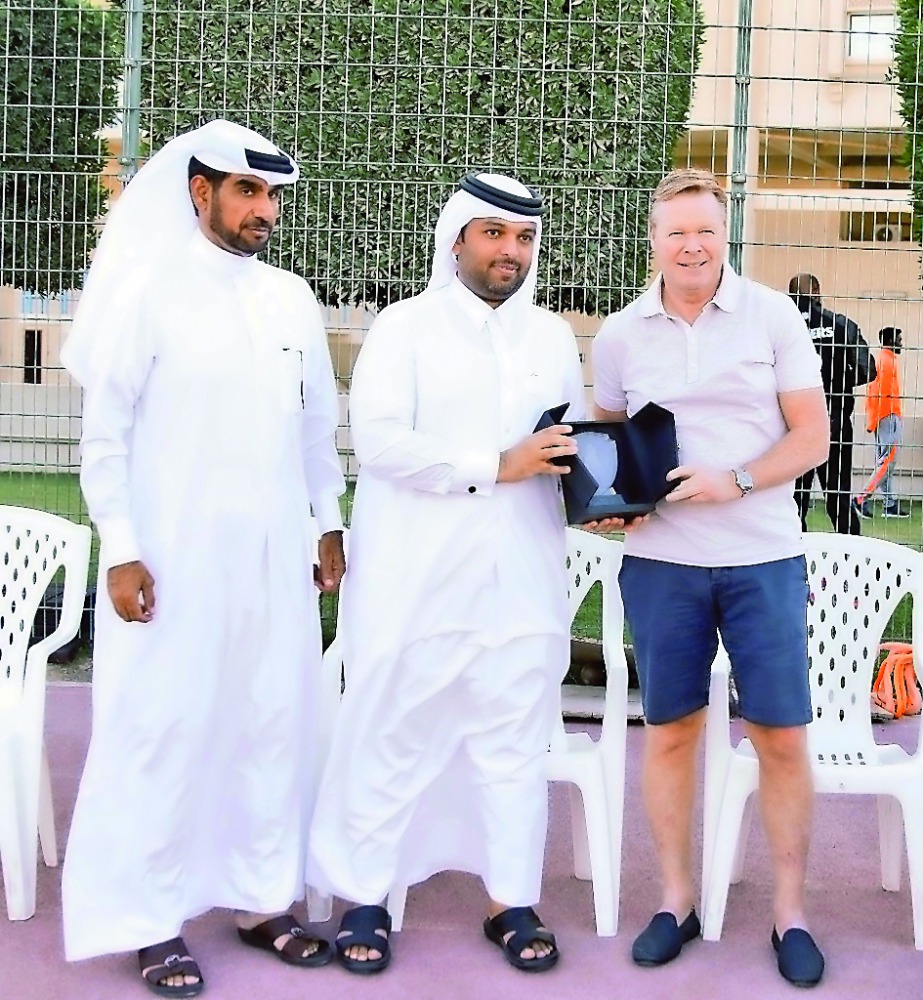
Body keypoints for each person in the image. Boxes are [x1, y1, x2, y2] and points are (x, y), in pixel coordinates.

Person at [60, 120, 346, 997]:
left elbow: (312, 429)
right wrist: (124, 549)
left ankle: (262, 902)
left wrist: (327, 524)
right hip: (172, 561)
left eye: (271, 196)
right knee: (164, 730)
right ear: (201, 193)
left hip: (270, 562)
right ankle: (150, 922)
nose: (263, 210)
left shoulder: (291, 297)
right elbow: (104, 438)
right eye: (246, 192)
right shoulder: (147, 293)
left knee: (269, 722)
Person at [307, 172, 585, 975]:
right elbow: (382, 441)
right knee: (392, 733)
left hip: (521, 578)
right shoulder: (406, 327)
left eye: (524, 238)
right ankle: (366, 896)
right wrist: (493, 464)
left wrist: (603, 498)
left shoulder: (551, 339)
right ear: (456, 238)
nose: (511, 251)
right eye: (494, 234)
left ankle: (510, 899)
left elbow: (558, 451)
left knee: (511, 742)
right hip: (413, 580)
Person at [592, 169, 830, 987]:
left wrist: (732, 480)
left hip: (762, 556)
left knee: (779, 737)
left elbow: (811, 440)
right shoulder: (620, 335)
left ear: (721, 233)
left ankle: (788, 913)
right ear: (652, 240)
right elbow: (615, 453)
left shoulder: (773, 314)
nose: (690, 246)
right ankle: (675, 902)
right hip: (661, 565)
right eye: (674, 232)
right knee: (669, 732)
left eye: (703, 230)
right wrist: (611, 505)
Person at [789, 272, 876, 534]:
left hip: (791, 426)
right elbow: (867, 369)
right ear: (817, 291)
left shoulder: (783, 327)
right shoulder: (840, 325)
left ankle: (793, 561)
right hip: (833, 420)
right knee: (838, 497)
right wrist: (839, 380)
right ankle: (853, 560)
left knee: (793, 500)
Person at [854, 327, 910, 519]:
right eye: (899, 339)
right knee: (887, 462)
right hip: (888, 416)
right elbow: (880, 394)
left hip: (882, 417)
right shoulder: (886, 362)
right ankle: (861, 499)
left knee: (884, 463)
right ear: (889, 341)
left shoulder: (884, 360)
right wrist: (882, 418)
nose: (901, 343)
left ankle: (889, 504)